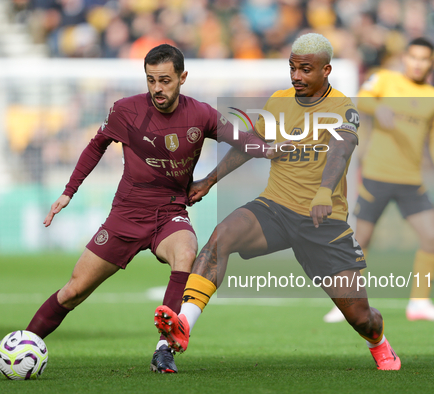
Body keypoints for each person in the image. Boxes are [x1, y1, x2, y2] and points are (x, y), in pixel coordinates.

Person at [0, 44, 281, 374]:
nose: (157, 88)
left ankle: (164, 349)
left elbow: (246, 142)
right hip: (125, 216)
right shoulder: (126, 111)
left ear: (182, 78)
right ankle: (16, 352)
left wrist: (274, 150)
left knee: (186, 251)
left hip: (169, 214)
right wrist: (68, 192)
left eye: (165, 80)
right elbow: (96, 146)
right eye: (151, 80)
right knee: (74, 291)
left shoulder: (202, 114)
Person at [154, 33, 401, 371]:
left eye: (305, 70)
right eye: (292, 68)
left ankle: (380, 344)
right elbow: (249, 143)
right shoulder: (279, 101)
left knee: (362, 319)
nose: (296, 76)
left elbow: (341, 150)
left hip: (322, 222)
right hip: (276, 208)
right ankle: (184, 324)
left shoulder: (343, 107)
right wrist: (210, 180)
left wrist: (324, 191)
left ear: (326, 70)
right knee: (221, 236)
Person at [323, 38, 434, 324]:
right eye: (413, 56)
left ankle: (419, 304)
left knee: (433, 237)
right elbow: (362, 99)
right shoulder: (385, 80)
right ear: (405, 58)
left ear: (431, 63)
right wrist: (379, 109)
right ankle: (348, 303)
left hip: (411, 180)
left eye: (424, 58)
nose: (417, 62)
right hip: (377, 175)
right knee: (360, 241)